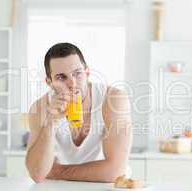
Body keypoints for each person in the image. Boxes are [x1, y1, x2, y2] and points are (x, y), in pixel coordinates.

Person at [25, 43, 132, 183]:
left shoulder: (113, 100)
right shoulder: (40, 109)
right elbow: (37, 174)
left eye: (77, 73)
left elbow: (115, 171)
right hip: (62, 190)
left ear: (87, 73)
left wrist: (57, 171)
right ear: (49, 82)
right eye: (61, 77)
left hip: (108, 189)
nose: (72, 84)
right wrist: (50, 122)